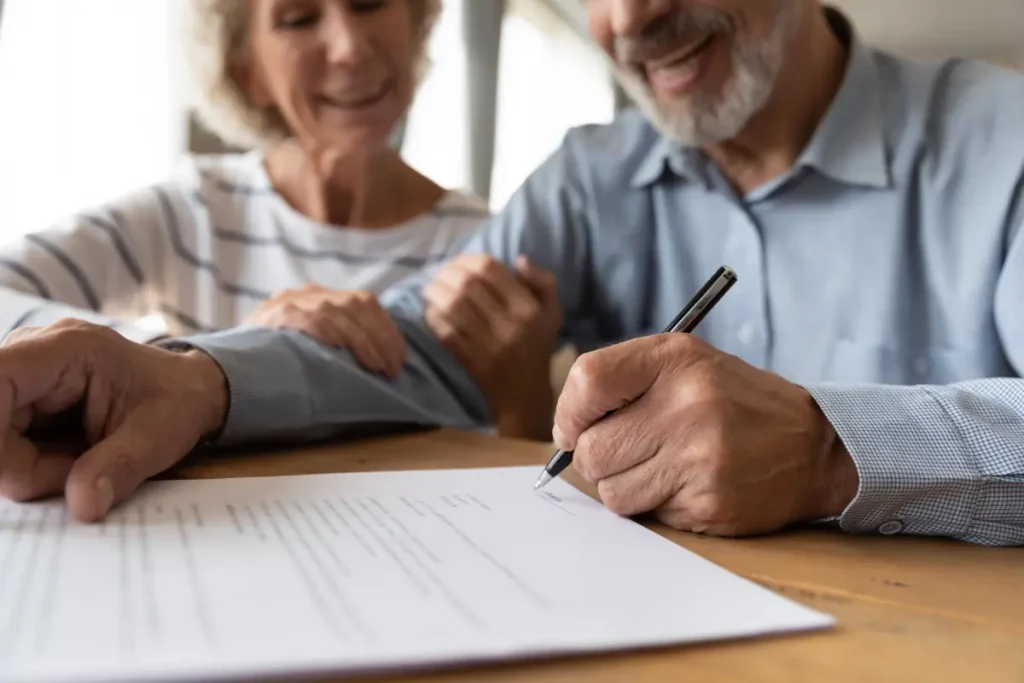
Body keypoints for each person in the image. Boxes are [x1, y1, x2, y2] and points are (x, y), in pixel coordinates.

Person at [0, 0, 1022, 547]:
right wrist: (193, 379)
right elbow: (410, 346)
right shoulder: (586, 178)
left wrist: (828, 452)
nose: (633, 14)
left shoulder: (1002, 143)